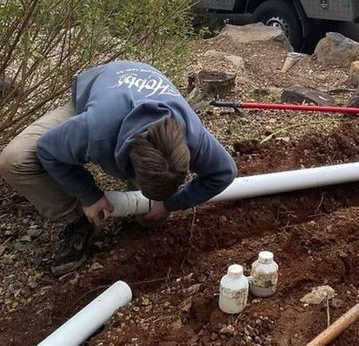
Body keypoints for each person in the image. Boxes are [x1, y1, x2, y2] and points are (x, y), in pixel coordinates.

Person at [0, 60, 237, 275]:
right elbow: (48, 151)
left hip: (137, 90)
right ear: (129, 161)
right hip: (96, 93)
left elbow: (224, 172)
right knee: (15, 160)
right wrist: (89, 196)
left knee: (150, 219)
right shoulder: (94, 130)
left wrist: (170, 203)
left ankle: (145, 203)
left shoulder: (191, 134)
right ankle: (78, 220)